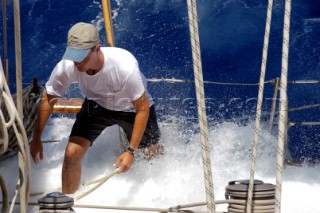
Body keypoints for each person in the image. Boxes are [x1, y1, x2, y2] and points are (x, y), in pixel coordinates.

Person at [30, 22, 162, 194]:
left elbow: (142, 108)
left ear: (97, 49)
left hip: (131, 109)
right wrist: (37, 137)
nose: (77, 61)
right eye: (73, 55)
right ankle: (66, 204)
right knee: (71, 154)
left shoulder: (124, 67)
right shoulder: (68, 65)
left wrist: (131, 150)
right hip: (97, 104)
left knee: (151, 153)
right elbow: (49, 98)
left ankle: (156, 188)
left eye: (82, 56)